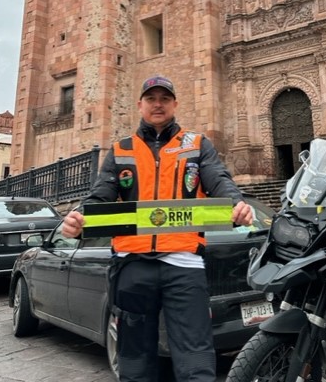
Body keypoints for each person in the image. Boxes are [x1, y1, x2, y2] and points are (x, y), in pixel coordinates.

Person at [62, 74, 253, 382]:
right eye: (152, 99)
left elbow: (218, 179)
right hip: (132, 266)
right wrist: (78, 220)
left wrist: (236, 204)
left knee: (196, 360)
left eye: (165, 99)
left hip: (184, 264)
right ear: (140, 105)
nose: (158, 104)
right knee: (134, 361)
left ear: (175, 104)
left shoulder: (197, 145)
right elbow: (101, 196)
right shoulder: (121, 150)